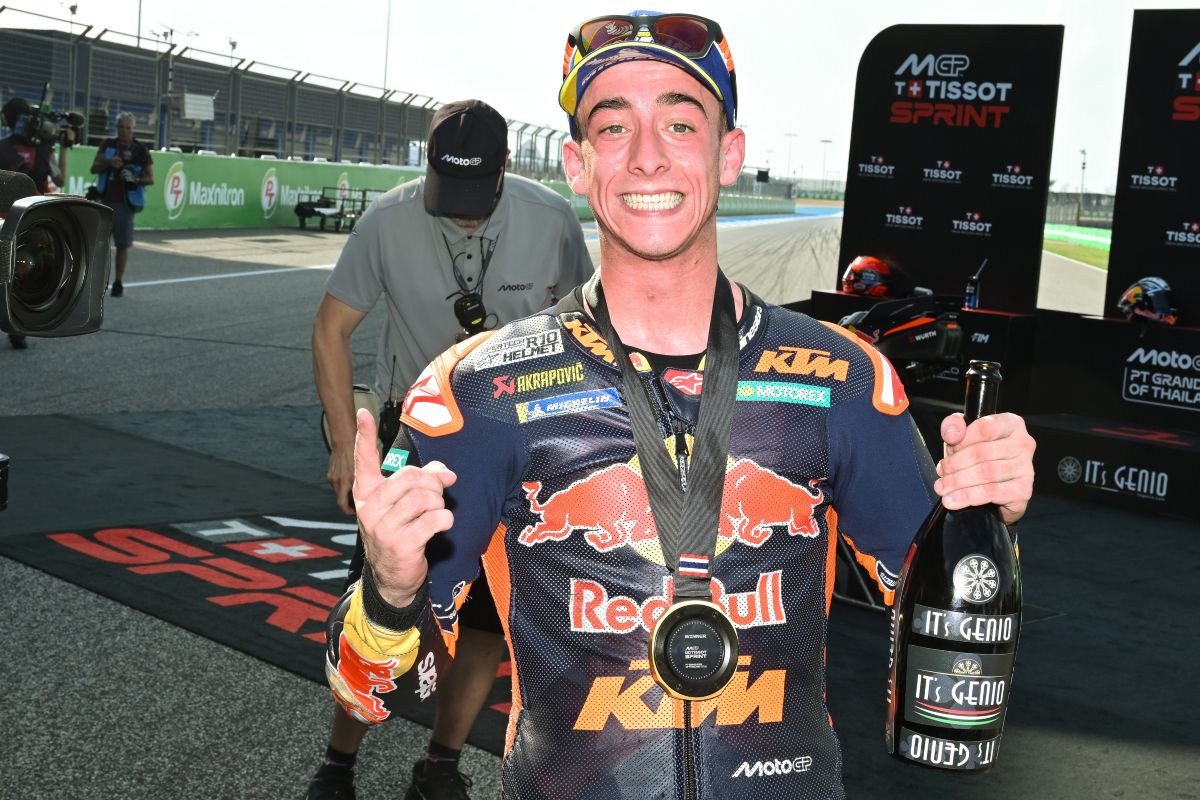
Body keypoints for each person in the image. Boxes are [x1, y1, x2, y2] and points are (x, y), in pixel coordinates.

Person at [325, 12, 1036, 800]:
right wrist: (389, 589)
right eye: (613, 125)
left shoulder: (843, 378)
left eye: (680, 121)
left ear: (729, 153)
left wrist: (985, 525)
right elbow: (371, 694)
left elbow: (959, 657)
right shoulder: (477, 391)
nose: (648, 155)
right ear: (577, 163)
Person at [308, 98, 593, 800]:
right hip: (419, 434)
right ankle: (337, 763)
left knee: (487, 621)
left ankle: (440, 764)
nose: (462, 212)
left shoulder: (552, 219)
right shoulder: (386, 222)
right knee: (380, 605)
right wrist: (346, 442)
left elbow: (590, 320)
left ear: (505, 167)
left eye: (475, 195)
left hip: (518, 439)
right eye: (448, 193)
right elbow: (329, 328)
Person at [1, 96, 74, 349]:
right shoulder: (44, 149)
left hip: (5, 220)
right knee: (22, 271)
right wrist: (65, 147)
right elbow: (61, 179)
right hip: (34, 220)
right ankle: (16, 326)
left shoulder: (3, 146)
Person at [89, 111, 154, 298]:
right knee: (99, 245)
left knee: (122, 245)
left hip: (125, 204)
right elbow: (93, 168)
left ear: (133, 129)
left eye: (127, 128)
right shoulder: (107, 144)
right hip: (103, 201)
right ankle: (95, 283)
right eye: (120, 127)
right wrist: (109, 163)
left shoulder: (141, 150)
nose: (124, 131)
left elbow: (151, 179)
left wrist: (134, 179)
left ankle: (118, 282)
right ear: (116, 127)